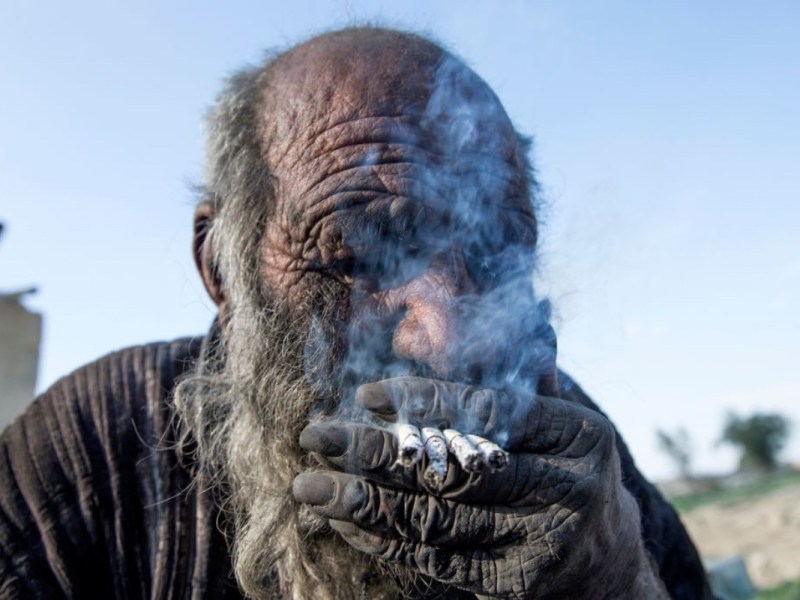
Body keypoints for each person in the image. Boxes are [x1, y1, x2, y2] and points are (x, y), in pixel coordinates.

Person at [0, 27, 713, 599]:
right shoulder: (87, 457)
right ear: (222, 267)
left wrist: (613, 580)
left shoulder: (574, 474)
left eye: (496, 251)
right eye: (362, 250)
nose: (449, 338)